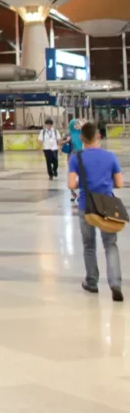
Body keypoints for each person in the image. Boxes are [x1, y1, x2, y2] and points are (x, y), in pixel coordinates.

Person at [68, 122, 124, 302]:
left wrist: (82, 184)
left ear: (82, 138)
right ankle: (115, 283)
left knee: (89, 245)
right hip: (106, 205)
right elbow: (120, 183)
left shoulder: (76, 158)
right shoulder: (110, 156)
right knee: (110, 245)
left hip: (87, 205)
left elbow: (71, 184)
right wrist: (106, 183)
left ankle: (92, 282)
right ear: (98, 136)